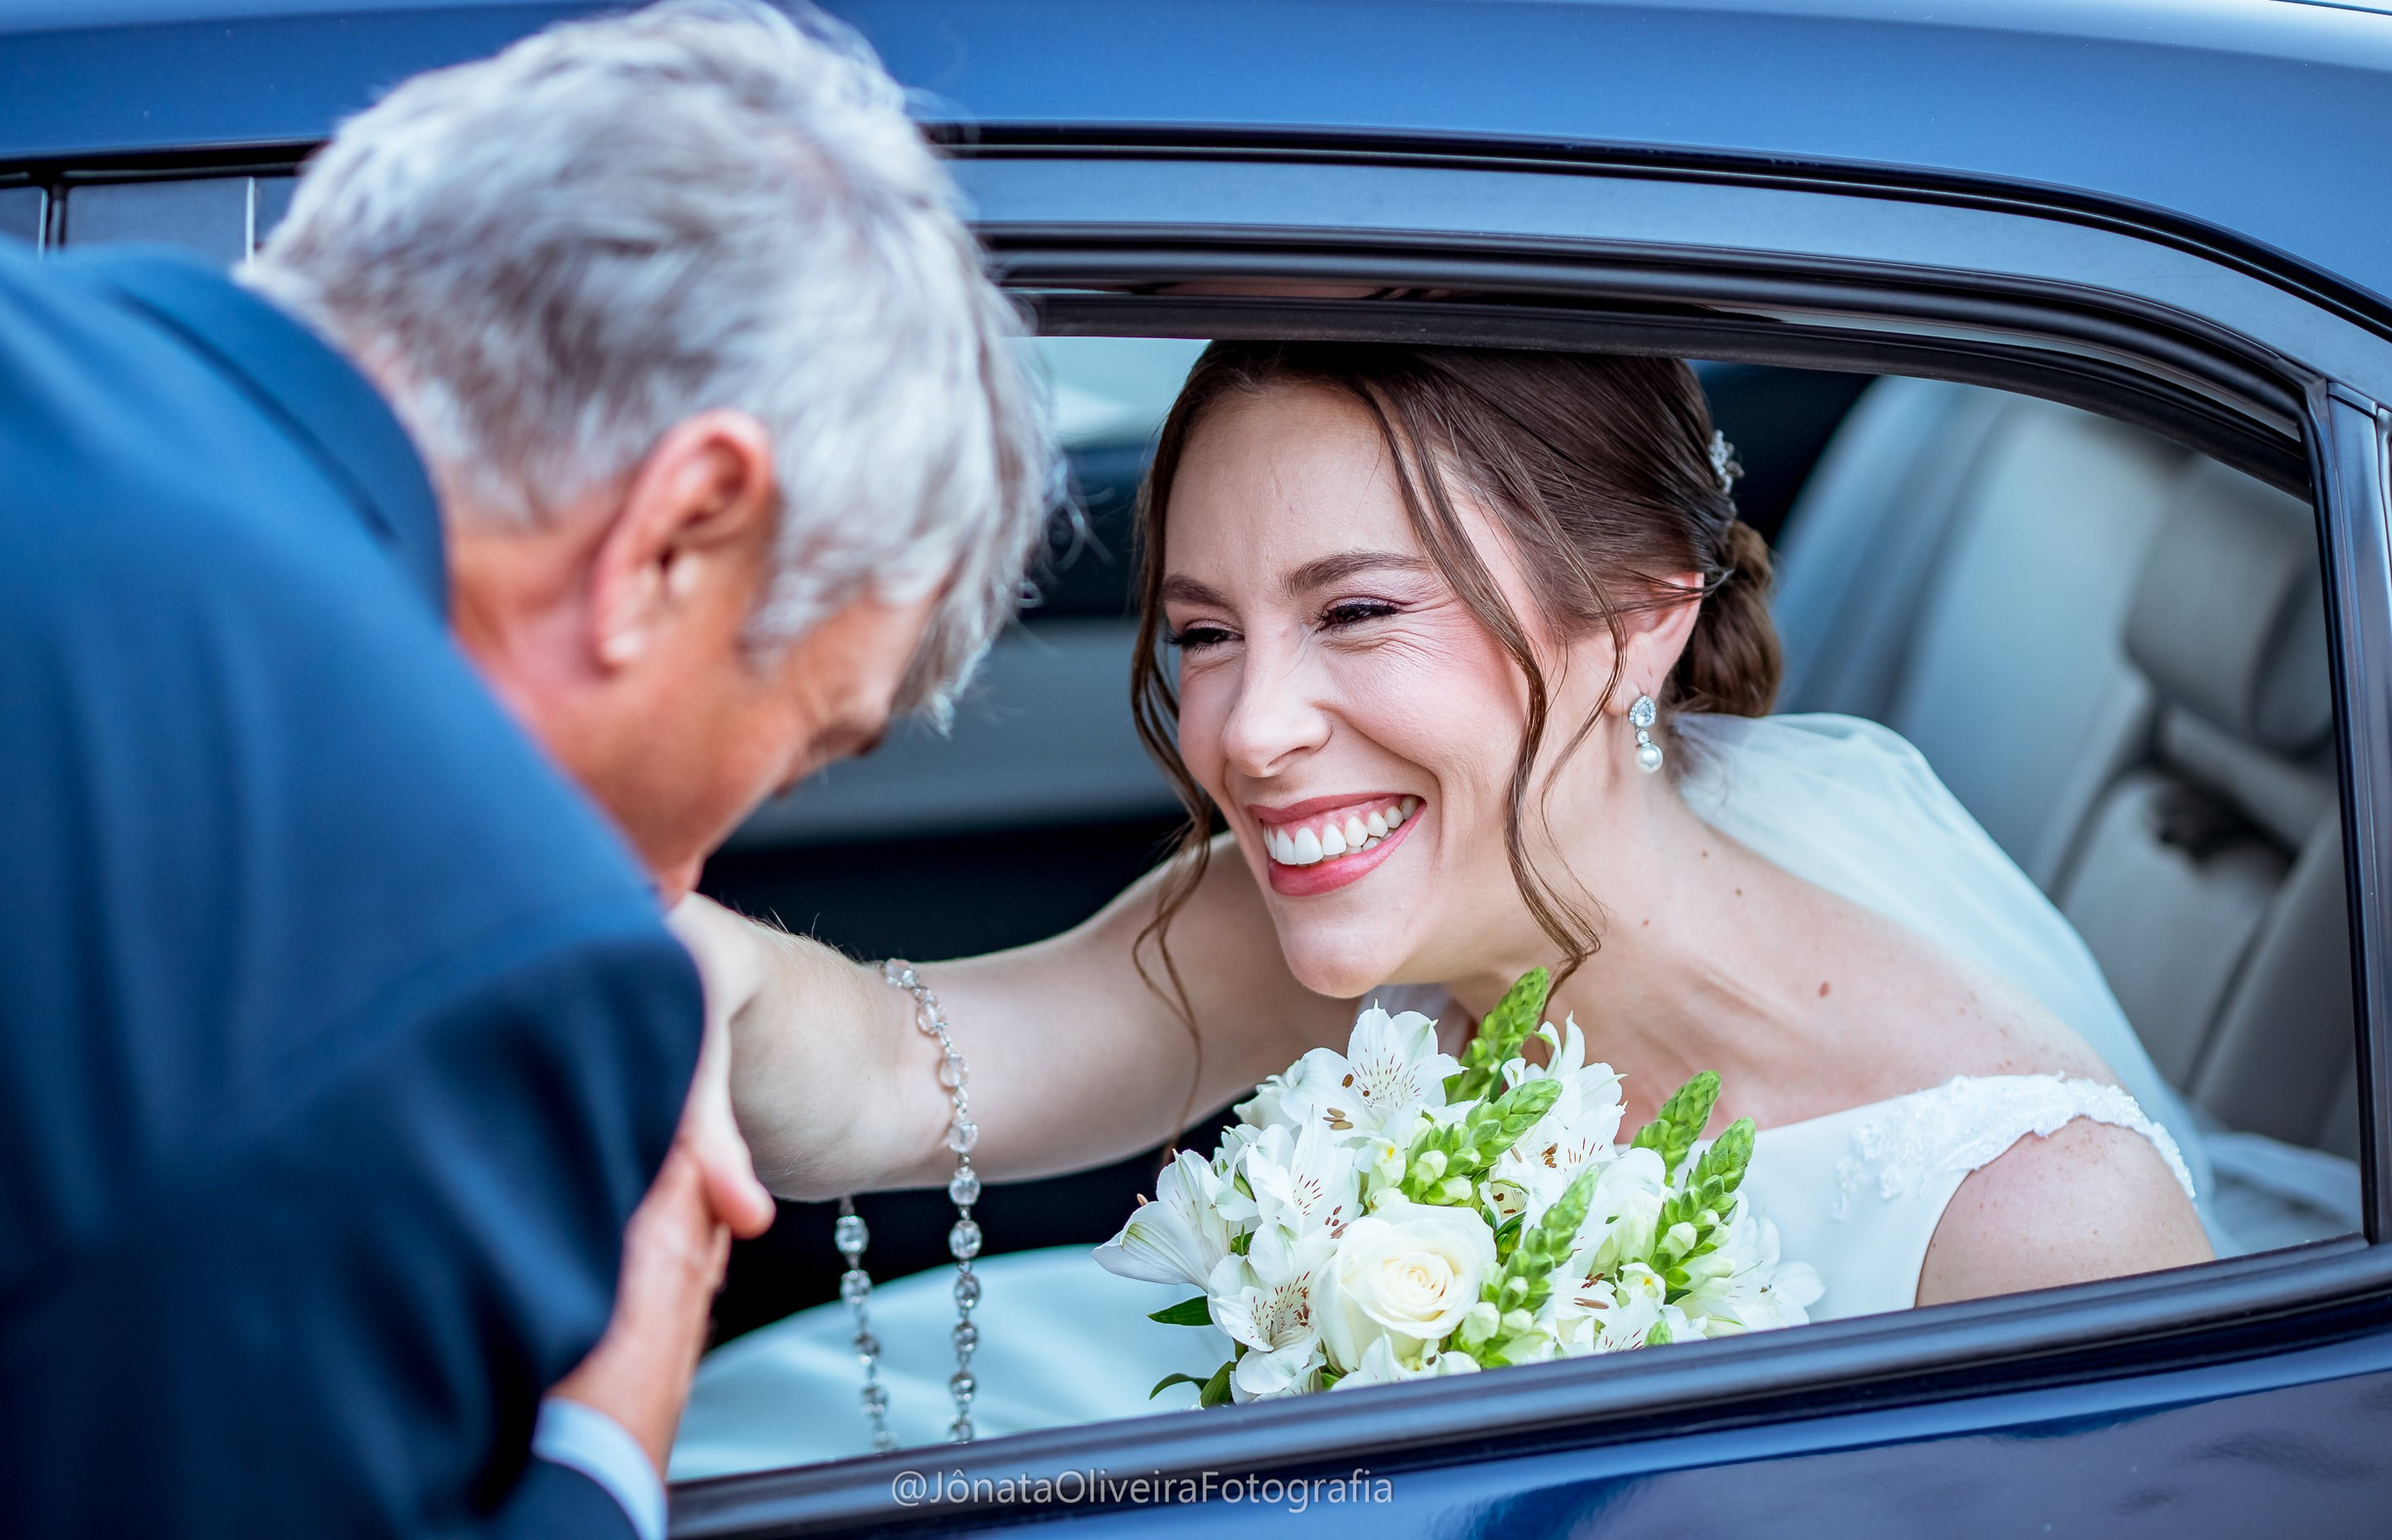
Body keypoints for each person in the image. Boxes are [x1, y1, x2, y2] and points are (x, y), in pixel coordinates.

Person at [0, 0, 1054, 1534]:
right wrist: (606, 1435)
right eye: (794, 746)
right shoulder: (451, 956)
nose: (680, 885)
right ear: (677, 535)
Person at [666, 341, 2215, 1468]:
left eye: (1355, 611)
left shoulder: (2038, 1222)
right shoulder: (1337, 927)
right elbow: (893, 1070)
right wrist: (659, 965)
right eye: (1206, 634)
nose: (1250, 730)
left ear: (1637, 624)